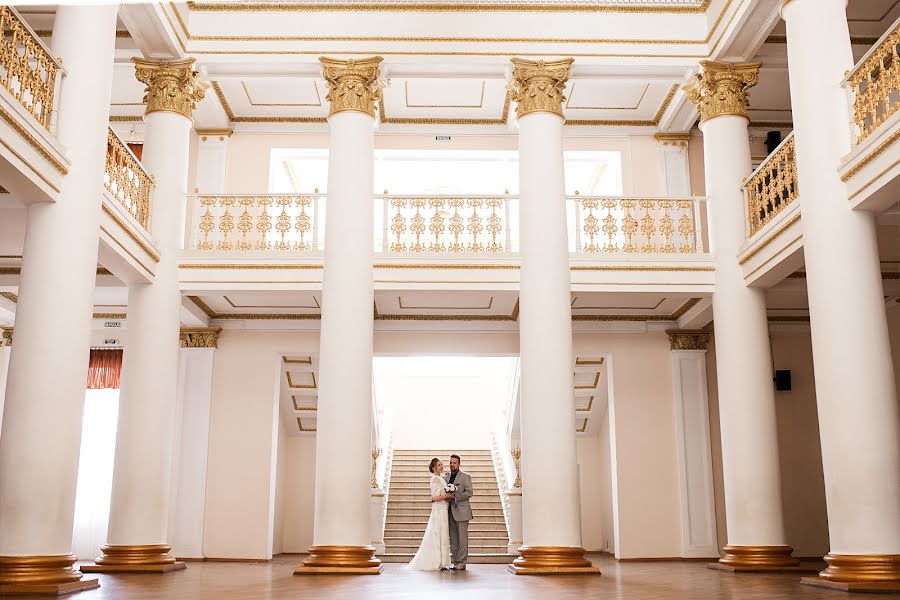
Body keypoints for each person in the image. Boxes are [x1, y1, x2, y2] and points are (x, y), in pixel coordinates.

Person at [407, 458, 453, 571]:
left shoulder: (441, 478)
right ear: (433, 468)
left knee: (443, 534)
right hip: (438, 510)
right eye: (439, 465)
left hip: (443, 509)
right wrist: (446, 496)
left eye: (442, 464)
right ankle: (437, 561)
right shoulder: (435, 480)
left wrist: (448, 496)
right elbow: (434, 497)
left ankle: (443, 562)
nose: (441, 466)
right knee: (438, 534)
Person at [444, 453, 474, 570]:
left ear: (459, 464)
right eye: (451, 462)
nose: (452, 465)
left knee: (462, 538)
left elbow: (469, 492)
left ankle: (462, 562)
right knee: (453, 538)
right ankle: (455, 561)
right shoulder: (446, 477)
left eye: (454, 463)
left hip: (462, 512)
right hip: (449, 512)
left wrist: (455, 497)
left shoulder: (465, 477)